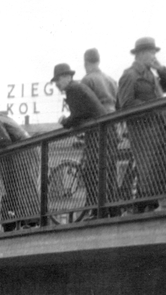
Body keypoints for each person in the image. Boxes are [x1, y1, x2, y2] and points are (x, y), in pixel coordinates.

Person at [117, 37, 166, 207]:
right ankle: (143, 210)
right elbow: (126, 104)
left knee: (160, 171)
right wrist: (152, 107)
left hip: (161, 129)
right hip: (144, 132)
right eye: (151, 52)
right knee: (148, 172)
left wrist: (161, 69)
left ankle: (145, 208)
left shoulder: (152, 73)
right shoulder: (129, 75)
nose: (154, 56)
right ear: (141, 54)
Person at [53, 63, 111, 214]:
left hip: (98, 133)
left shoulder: (72, 90)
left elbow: (76, 115)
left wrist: (65, 122)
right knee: (102, 172)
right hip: (103, 131)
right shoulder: (78, 88)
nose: (57, 84)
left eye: (58, 80)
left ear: (66, 77)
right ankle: (103, 210)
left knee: (92, 171)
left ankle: (97, 211)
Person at [0, 107, 40, 227]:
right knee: (26, 185)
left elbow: (4, 141)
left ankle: (31, 221)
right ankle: (29, 220)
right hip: (27, 149)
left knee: (25, 186)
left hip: (23, 152)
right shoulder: (2, 118)